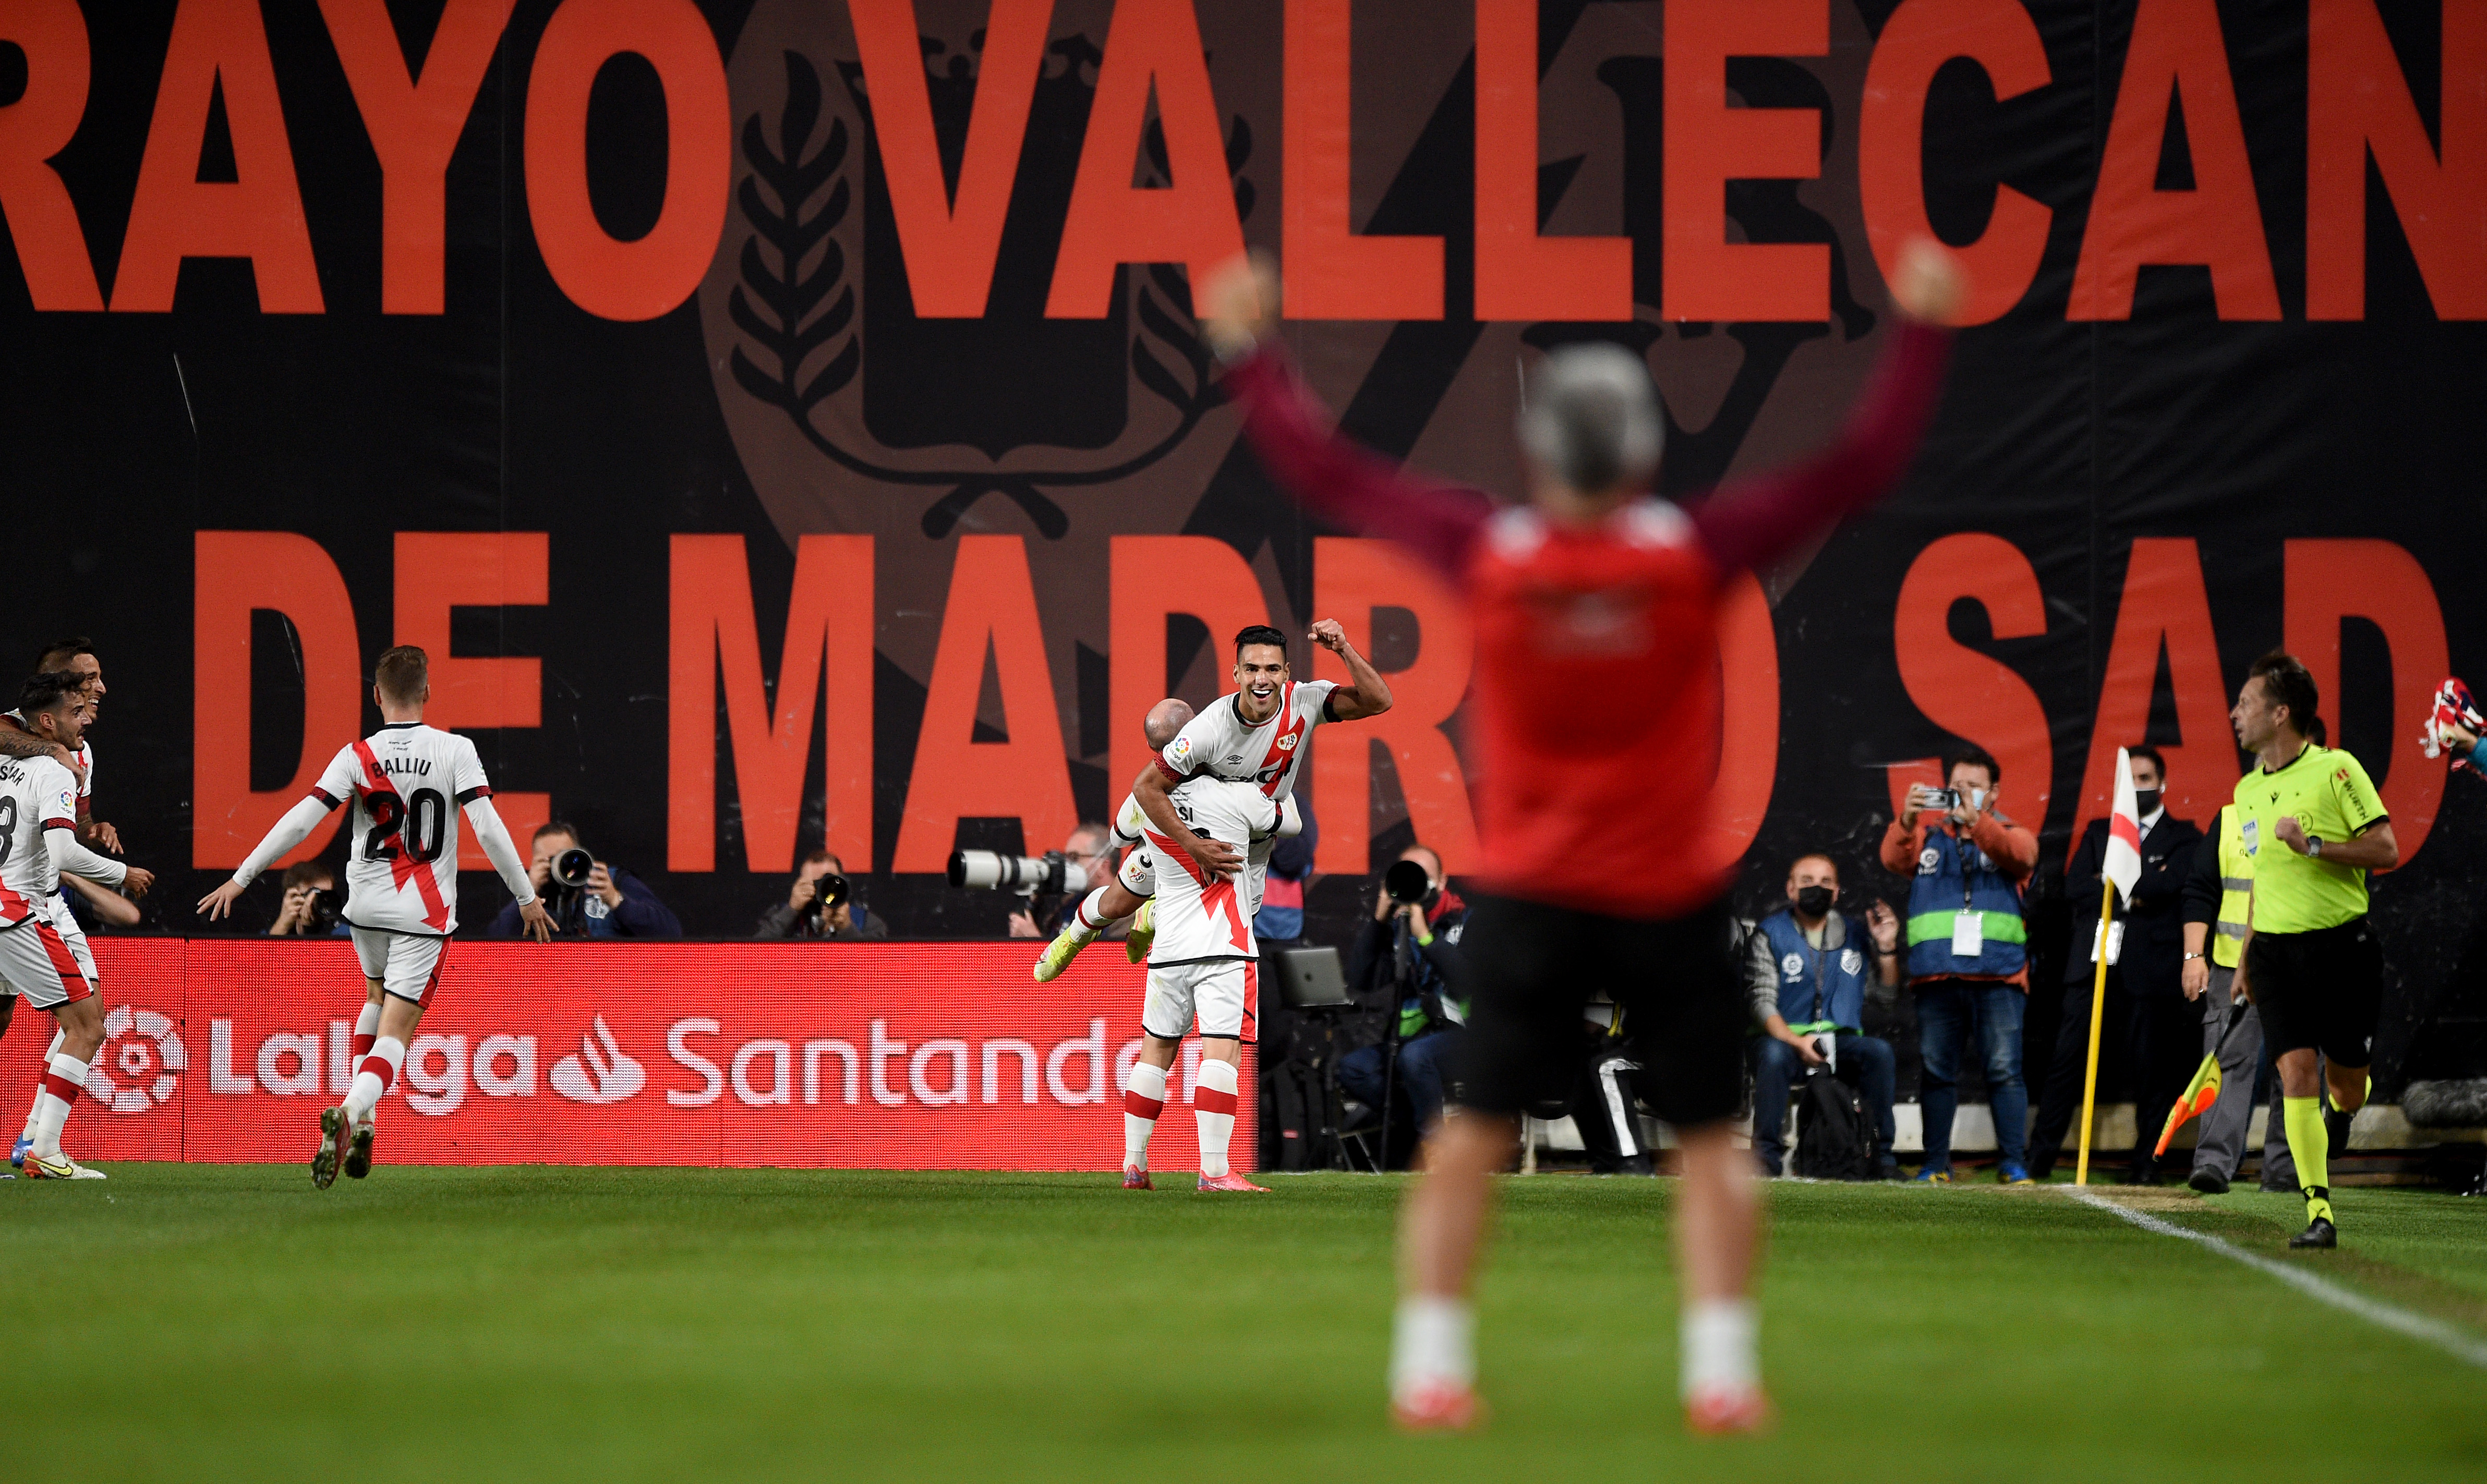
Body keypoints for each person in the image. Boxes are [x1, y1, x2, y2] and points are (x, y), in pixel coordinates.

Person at [1202, 237, 1964, 1431]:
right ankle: (1721, 1375)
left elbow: (1329, 471)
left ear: (1535, 449)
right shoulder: (1689, 552)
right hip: (1664, 896)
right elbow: (1859, 465)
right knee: (1711, 1141)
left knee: (1470, 1136)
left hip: (1534, 893)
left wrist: (1252, 347)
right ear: (1648, 451)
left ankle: (1430, 1368)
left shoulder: (1490, 553)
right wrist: (1920, 324)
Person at [198, 646, 552, 1187]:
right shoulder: (456, 749)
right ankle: (349, 1109)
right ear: (428, 692)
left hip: (365, 908)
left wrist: (243, 876)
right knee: (397, 1032)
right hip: (423, 912)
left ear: (376, 695)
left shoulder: (356, 754)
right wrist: (526, 894)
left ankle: (366, 1120)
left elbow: (300, 822)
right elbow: (489, 827)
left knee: (373, 997)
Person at [1034, 622, 1392, 979]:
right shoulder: (1208, 730)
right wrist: (1191, 845)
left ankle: (1155, 916)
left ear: (1286, 673)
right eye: (1251, 669)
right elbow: (1140, 797)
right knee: (1115, 903)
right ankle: (1073, 937)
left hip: (1247, 850)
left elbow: (1380, 701)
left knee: (1238, 924)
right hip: (1192, 837)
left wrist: (1344, 648)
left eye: (1270, 669)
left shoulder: (1305, 703)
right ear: (1237, 673)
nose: (1261, 679)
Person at [2228, 651, 2397, 1249]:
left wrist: (2314, 844)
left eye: (2245, 703)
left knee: (2345, 1082)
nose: (2234, 713)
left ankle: (2346, 1110)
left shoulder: (2336, 769)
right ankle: (2318, 1210)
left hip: (2340, 949)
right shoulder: (2245, 790)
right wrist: (2246, 956)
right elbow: (2259, 882)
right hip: (2274, 952)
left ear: (2281, 712)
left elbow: (2386, 849)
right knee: (2294, 1071)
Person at [2, 673, 155, 1178]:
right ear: (48, 720)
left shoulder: (7, 760)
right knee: (89, 1024)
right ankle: (44, 1147)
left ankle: (32, 1140)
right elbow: (64, 850)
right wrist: (122, 874)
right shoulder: (54, 769)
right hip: (19, 911)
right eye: (76, 710)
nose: (86, 717)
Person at [2027, 746, 2204, 1184]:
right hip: (2095, 964)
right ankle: (2036, 1161)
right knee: (2067, 1061)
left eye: (2145, 778)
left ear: (2162, 784)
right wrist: (2141, 888)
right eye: (2131, 779)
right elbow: (2077, 888)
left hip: (2152, 970)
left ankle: (2147, 1165)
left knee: (2152, 1072)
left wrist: (2119, 882)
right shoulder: (2097, 831)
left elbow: (2174, 883)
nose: (2137, 787)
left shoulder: (2186, 837)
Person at [1116, 773, 1283, 1193]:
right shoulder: (1240, 794)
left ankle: (1134, 1166)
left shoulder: (1143, 798)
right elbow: (1290, 820)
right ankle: (1214, 1170)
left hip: (1169, 944)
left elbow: (1120, 834)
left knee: (1153, 1055)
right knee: (1221, 1054)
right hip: (1224, 942)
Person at [1881, 747, 2039, 1184]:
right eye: (1956, 786)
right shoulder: (1929, 838)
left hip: (2000, 975)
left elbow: (2023, 856)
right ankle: (1936, 1165)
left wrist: (1977, 823)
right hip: (1938, 976)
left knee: (2005, 1071)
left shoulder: (2009, 832)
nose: (1962, 793)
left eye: (1973, 786)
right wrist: (1909, 820)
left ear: (1994, 793)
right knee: (1936, 1072)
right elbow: (1893, 860)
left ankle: (2013, 1164)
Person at [1743, 854, 1901, 1179]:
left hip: (1838, 1041)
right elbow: (1760, 1003)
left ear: (1838, 890)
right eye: (1807, 882)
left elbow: (1885, 998)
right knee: (1772, 1057)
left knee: (1879, 1053)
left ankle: (1881, 1158)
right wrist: (1796, 1041)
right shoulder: (1770, 933)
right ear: (1790, 890)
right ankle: (1766, 1162)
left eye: (1826, 882)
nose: (1817, 888)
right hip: (1784, 1038)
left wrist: (1886, 950)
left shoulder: (1856, 934)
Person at [2179, 788, 2296, 1194]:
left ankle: (2287, 1173)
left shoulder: (2325, 814)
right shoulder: (2232, 817)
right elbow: (2201, 889)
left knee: (2299, 1070)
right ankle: (2213, 1163)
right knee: (2227, 1062)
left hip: (2301, 965)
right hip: (2232, 966)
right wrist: (2195, 955)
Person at [1337, 845, 1467, 1150]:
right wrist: (1380, 921)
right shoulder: (1398, 927)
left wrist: (1425, 938)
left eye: (1421, 876)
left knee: (1415, 1058)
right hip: (1414, 1040)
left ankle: (1434, 1150)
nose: (1414, 883)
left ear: (1443, 881)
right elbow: (1360, 981)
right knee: (1353, 1068)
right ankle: (1416, 1125)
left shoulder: (1464, 921)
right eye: (1406, 874)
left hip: (1463, 1036)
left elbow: (1466, 983)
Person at [0, 636, 118, 853]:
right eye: (90, 678)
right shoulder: (13, 725)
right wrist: (55, 750)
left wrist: (95, 832)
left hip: (34, 882)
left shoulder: (81, 753)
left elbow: (79, 825)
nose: (101, 688)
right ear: (59, 680)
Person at [488, 822, 681, 940]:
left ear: (579, 853)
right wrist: (527, 894)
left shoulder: (608, 882)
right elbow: (492, 947)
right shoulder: (530, 898)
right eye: (549, 861)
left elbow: (671, 933)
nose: (560, 866)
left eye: (566, 858)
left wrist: (617, 901)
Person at [1007, 822, 1117, 940]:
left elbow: (1109, 958)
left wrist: (1034, 942)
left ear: (1103, 866)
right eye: (1066, 858)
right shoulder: (1068, 905)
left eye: (1074, 857)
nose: (1067, 865)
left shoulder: (1124, 911)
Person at [756, 850, 886, 939]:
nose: (820, 890)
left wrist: (846, 928)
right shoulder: (779, 915)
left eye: (827, 883)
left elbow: (873, 970)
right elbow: (754, 956)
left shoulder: (866, 922)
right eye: (814, 884)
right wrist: (792, 910)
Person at [267, 860, 346, 937]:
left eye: (326, 895)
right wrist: (283, 925)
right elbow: (267, 950)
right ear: (293, 899)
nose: (320, 901)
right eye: (313, 893)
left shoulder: (344, 933)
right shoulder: (267, 935)